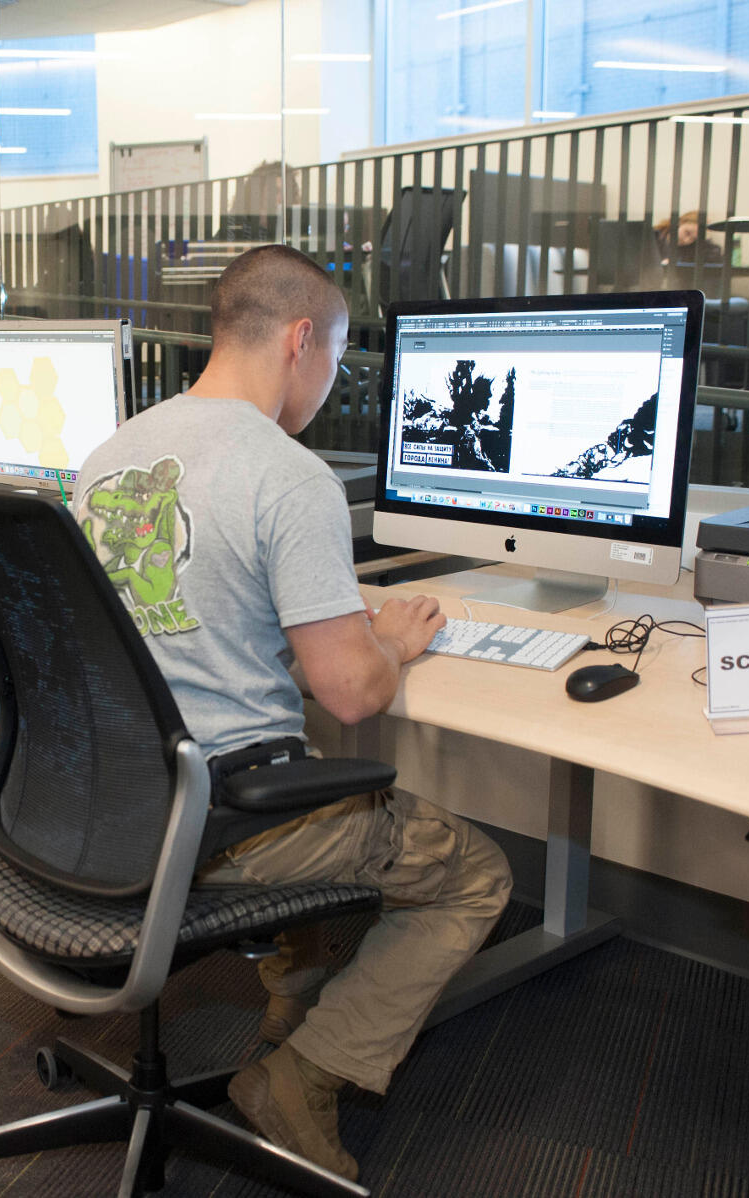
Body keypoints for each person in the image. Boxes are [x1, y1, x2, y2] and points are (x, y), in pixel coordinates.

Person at [74, 245, 512, 1183]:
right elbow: (351, 692)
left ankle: (291, 1002)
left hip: (111, 805)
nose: (334, 382)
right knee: (474, 871)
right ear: (301, 340)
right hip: (231, 819)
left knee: (300, 764)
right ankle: (305, 1075)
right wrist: (388, 641)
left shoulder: (111, 455)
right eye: (340, 359)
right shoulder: (289, 475)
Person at [653, 210, 724, 266]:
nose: (686, 240)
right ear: (680, 223)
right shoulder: (653, 237)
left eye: (693, 239)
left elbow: (715, 257)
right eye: (687, 233)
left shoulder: (694, 249)